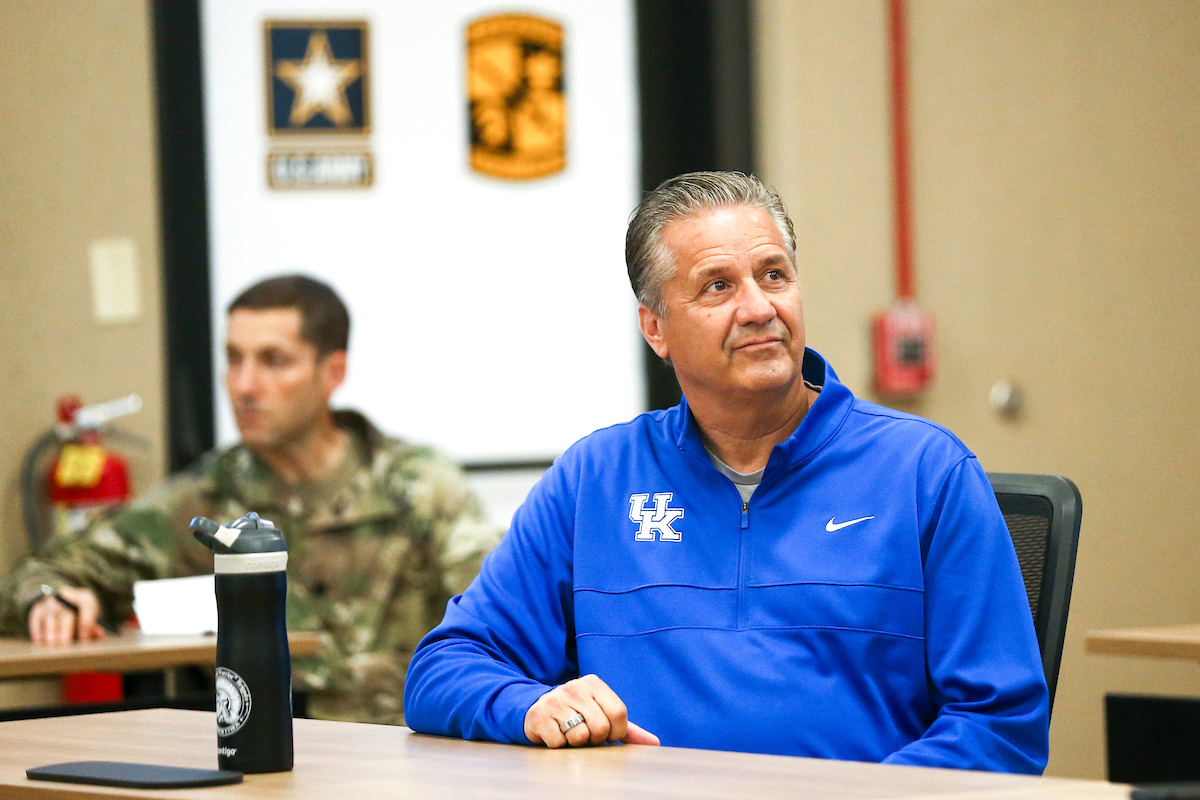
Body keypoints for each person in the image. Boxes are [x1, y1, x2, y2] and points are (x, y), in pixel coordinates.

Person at [403, 172, 1050, 772]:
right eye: (719, 286)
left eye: (774, 275)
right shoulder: (596, 479)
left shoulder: (924, 471)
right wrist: (528, 706)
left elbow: (1001, 724)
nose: (759, 307)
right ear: (656, 329)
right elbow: (443, 670)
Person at [0, 275, 502, 725]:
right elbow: (49, 570)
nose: (242, 386)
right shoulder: (203, 500)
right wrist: (48, 597)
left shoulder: (419, 485)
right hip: (261, 761)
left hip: (399, 760)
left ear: (333, 372)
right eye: (233, 359)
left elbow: (501, 615)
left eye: (273, 361)